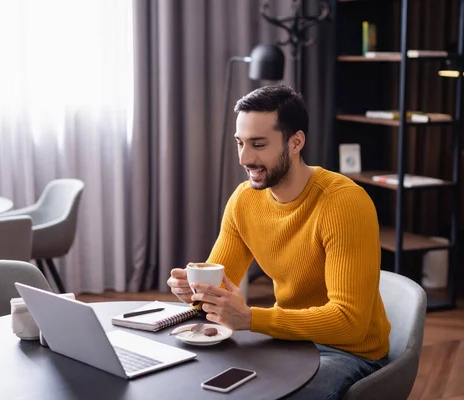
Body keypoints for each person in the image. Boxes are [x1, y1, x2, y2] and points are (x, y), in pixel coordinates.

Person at [167, 84, 391, 399]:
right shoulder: (244, 200)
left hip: (349, 352)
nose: (245, 158)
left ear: (296, 142)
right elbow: (220, 287)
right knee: (196, 380)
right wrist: (195, 293)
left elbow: (349, 323)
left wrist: (250, 318)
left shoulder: (343, 203)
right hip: (289, 340)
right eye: (240, 143)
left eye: (258, 144)